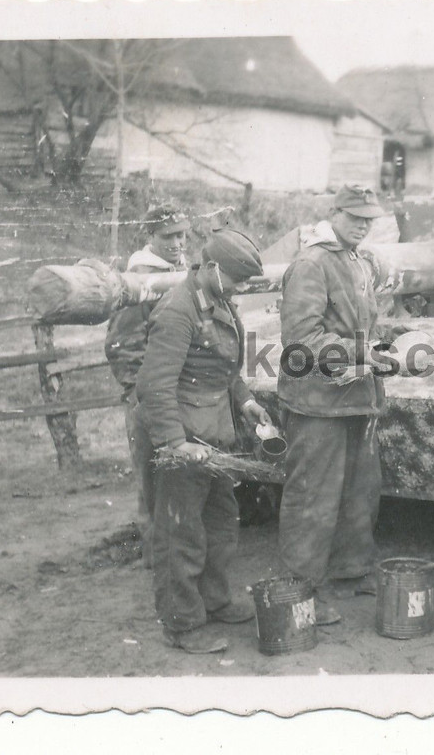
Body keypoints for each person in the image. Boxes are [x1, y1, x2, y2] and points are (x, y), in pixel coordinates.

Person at [135, 228, 272, 654]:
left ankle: (214, 601)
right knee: (181, 533)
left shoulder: (221, 304)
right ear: (211, 267)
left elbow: (223, 369)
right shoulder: (178, 311)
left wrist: (246, 401)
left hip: (212, 436)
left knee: (219, 521)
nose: (241, 289)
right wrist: (175, 444)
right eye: (236, 279)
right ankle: (183, 624)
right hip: (181, 438)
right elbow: (155, 386)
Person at [276, 184, 390, 625]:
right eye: (355, 217)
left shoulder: (356, 259)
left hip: (354, 396)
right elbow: (301, 339)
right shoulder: (312, 263)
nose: (363, 225)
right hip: (317, 400)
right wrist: (362, 353)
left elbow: (356, 323)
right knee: (313, 497)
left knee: (359, 488)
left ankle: (351, 569)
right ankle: (301, 588)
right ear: (334, 212)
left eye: (369, 219)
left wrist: (384, 342)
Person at [105, 204, 189, 565]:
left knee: (182, 479)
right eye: (168, 236)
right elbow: (121, 344)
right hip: (150, 398)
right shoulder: (139, 279)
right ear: (150, 237)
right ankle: (158, 561)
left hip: (183, 392)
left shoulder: (182, 271)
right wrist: (139, 393)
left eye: (182, 235)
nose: (177, 242)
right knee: (154, 480)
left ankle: (181, 556)